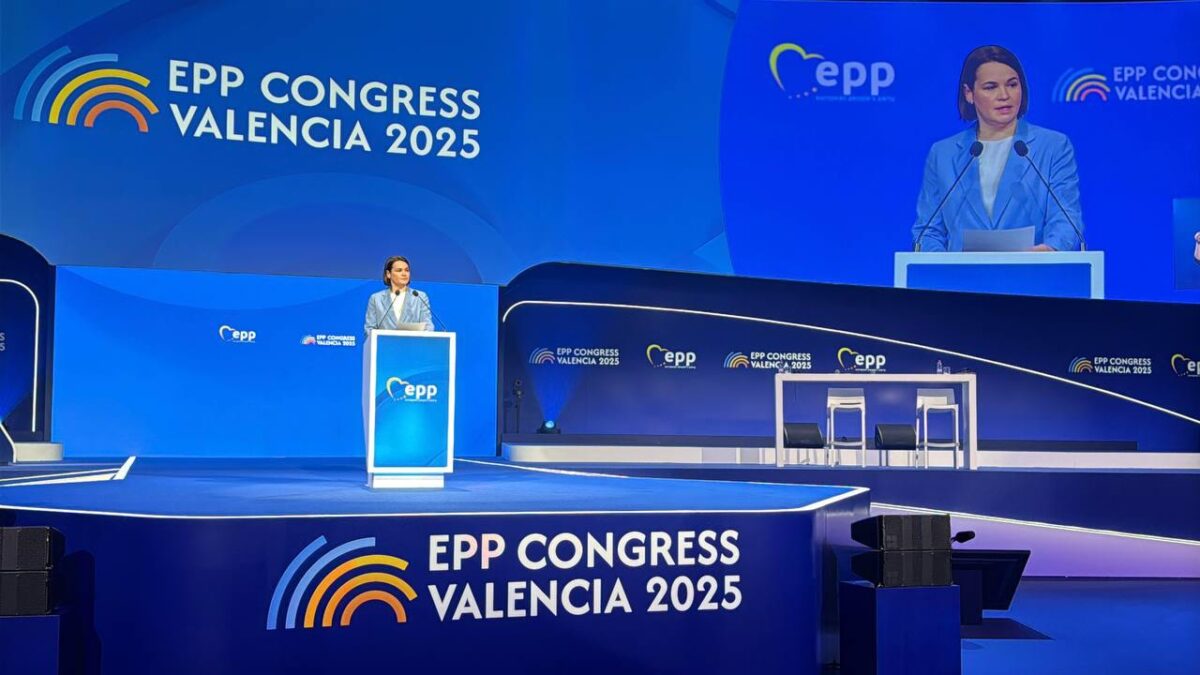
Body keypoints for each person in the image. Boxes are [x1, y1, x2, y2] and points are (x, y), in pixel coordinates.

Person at [912, 45, 1084, 252]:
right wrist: (941, 266)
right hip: (961, 273)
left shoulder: (1053, 146)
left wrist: (1051, 250)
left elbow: (1066, 217)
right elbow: (928, 231)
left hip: (1031, 270)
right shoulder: (942, 154)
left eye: (1012, 85)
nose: (1004, 95)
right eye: (991, 87)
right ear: (969, 93)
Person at [363, 256, 433, 335]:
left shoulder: (419, 297)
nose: (404, 274)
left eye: (407, 270)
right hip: (385, 342)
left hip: (413, 342)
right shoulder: (376, 299)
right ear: (388, 274)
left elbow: (428, 326)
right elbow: (369, 329)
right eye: (399, 270)